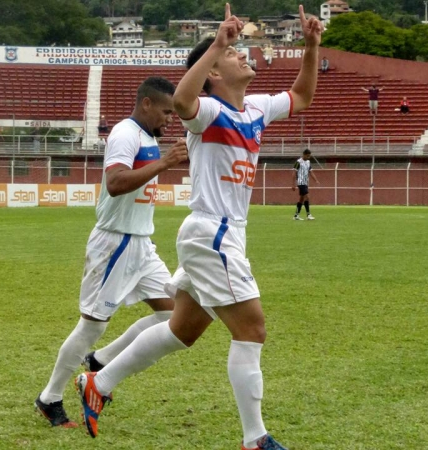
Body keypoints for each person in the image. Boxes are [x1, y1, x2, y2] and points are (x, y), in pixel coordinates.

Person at [75, 5, 323, 449]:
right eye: (234, 55)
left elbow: (301, 97)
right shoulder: (206, 110)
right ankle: (255, 439)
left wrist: (311, 47)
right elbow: (185, 101)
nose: (243, 55)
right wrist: (216, 45)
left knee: (181, 330)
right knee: (252, 330)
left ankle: (100, 382)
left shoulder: (257, 108)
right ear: (213, 73)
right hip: (213, 234)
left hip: (221, 234)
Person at [34, 77, 188, 428]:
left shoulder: (148, 137)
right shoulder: (125, 133)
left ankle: (100, 361)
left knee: (175, 317)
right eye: (166, 111)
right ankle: (50, 397)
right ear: (146, 104)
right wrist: (165, 164)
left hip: (142, 245)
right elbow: (116, 183)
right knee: (91, 326)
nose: (170, 118)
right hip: (114, 244)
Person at [292, 149, 320, 220]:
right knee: (307, 197)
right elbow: (294, 173)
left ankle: (296, 215)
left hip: (305, 182)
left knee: (301, 199)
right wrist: (293, 184)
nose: (308, 157)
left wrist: (316, 180)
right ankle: (308, 214)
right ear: (304, 154)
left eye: (309, 156)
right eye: (307, 156)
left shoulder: (308, 162)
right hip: (300, 182)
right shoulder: (298, 162)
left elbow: (311, 172)